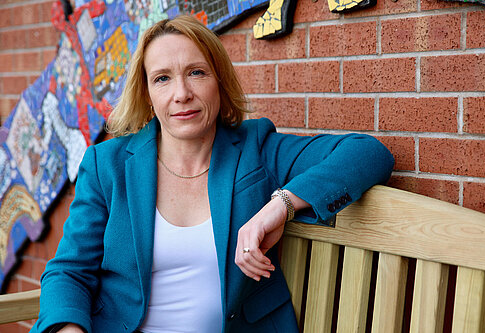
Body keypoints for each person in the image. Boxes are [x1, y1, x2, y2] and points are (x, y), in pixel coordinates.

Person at [31, 15, 394, 333]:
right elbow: (69, 271)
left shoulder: (257, 149)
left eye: (196, 72)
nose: (182, 93)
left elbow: (367, 153)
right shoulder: (106, 165)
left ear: (218, 80)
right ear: (147, 93)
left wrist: (280, 205)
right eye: (162, 79)